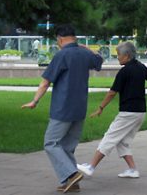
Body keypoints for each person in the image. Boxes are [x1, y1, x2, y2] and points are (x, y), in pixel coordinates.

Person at [21, 24, 103, 193]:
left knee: (50, 143)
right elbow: (99, 61)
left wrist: (34, 101)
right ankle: (71, 183)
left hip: (63, 108)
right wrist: (87, 48)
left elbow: (45, 82)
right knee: (67, 147)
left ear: (60, 38)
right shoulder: (84, 54)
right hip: (80, 108)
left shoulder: (62, 55)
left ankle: (72, 174)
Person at [77, 41, 147, 179]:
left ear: (127, 56)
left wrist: (100, 108)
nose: (117, 57)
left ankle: (91, 167)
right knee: (122, 141)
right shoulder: (140, 67)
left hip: (128, 112)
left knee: (110, 137)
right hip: (140, 111)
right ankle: (133, 170)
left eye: (119, 55)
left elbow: (112, 92)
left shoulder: (124, 71)